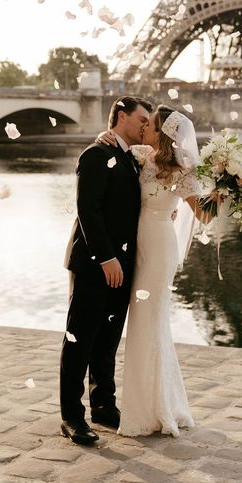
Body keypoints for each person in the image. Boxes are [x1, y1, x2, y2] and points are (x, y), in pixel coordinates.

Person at [98, 104, 215, 437]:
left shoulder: (182, 171)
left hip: (160, 246)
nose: (143, 127)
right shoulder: (139, 155)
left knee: (150, 321)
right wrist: (103, 135)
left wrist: (231, 187)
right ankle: (147, 403)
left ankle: (155, 408)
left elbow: (204, 215)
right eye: (143, 122)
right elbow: (113, 145)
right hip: (137, 245)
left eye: (150, 124)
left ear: (162, 132)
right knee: (141, 323)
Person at [59, 95, 152, 445]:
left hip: (124, 263)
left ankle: (103, 406)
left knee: (108, 339)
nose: (147, 124)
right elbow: (88, 210)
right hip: (96, 262)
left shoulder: (132, 159)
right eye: (142, 118)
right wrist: (105, 258)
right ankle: (71, 417)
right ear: (122, 115)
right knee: (79, 339)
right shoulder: (95, 154)